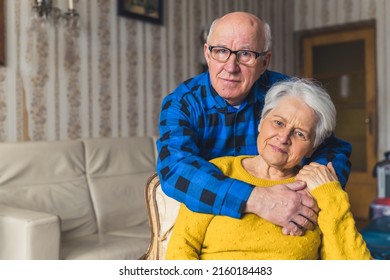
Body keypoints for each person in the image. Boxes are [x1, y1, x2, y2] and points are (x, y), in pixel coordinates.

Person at [156, 11, 352, 235]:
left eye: (245, 54)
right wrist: (258, 199)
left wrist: (305, 195)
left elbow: (333, 149)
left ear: (264, 61)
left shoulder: (286, 94)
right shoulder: (182, 103)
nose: (231, 67)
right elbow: (175, 169)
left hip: (288, 214)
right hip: (217, 220)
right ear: (207, 54)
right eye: (220, 51)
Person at [165, 78, 371, 260]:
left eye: (300, 134)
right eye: (278, 122)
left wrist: (331, 194)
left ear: (313, 147)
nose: (283, 138)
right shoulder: (218, 171)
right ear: (261, 123)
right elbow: (181, 250)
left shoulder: (317, 189)